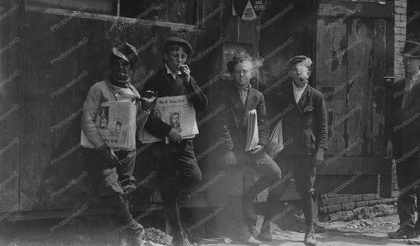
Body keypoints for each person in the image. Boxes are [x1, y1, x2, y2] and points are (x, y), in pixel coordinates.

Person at [81, 43, 154, 246]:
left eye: (126, 65)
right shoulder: (99, 89)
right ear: (110, 66)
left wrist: (145, 109)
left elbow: (135, 127)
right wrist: (103, 148)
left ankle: (123, 236)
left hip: (127, 151)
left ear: (130, 69)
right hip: (103, 150)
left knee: (127, 188)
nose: (122, 68)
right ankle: (133, 227)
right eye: (118, 64)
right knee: (110, 187)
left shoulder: (133, 92)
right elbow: (87, 121)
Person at [142, 36, 208, 246]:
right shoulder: (154, 81)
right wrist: (167, 130)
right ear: (165, 57)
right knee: (170, 195)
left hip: (184, 142)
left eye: (183, 55)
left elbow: (202, 105)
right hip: (163, 145)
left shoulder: (187, 79)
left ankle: (168, 189)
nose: (179, 59)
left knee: (195, 177)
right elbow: (145, 116)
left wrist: (190, 84)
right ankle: (179, 238)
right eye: (174, 55)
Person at [259, 55, 328, 246]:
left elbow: (323, 126)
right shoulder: (282, 95)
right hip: (284, 151)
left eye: (304, 70)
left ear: (309, 73)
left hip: (307, 152)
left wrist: (321, 149)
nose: (300, 74)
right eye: (296, 71)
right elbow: (269, 118)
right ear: (290, 73)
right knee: (277, 188)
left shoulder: (316, 96)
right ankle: (265, 227)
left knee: (307, 191)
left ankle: (310, 232)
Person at [215, 54, 281, 244]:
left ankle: (250, 195)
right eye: (238, 72)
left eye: (245, 71)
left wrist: (262, 145)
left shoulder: (258, 96)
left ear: (252, 73)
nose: (242, 75)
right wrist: (228, 149)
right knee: (236, 188)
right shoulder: (225, 95)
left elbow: (264, 124)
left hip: (254, 150)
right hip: (234, 152)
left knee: (275, 173)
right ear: (232, 74)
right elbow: (222, 125)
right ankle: (243, 231)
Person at [385, 40, 420, 245]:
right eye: (405, 59)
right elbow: (392, 116)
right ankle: (406, 227)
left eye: (411, 60)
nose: (407, 63)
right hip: (401, 145)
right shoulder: (398, 86)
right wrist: (391, 140)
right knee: (404, 188)